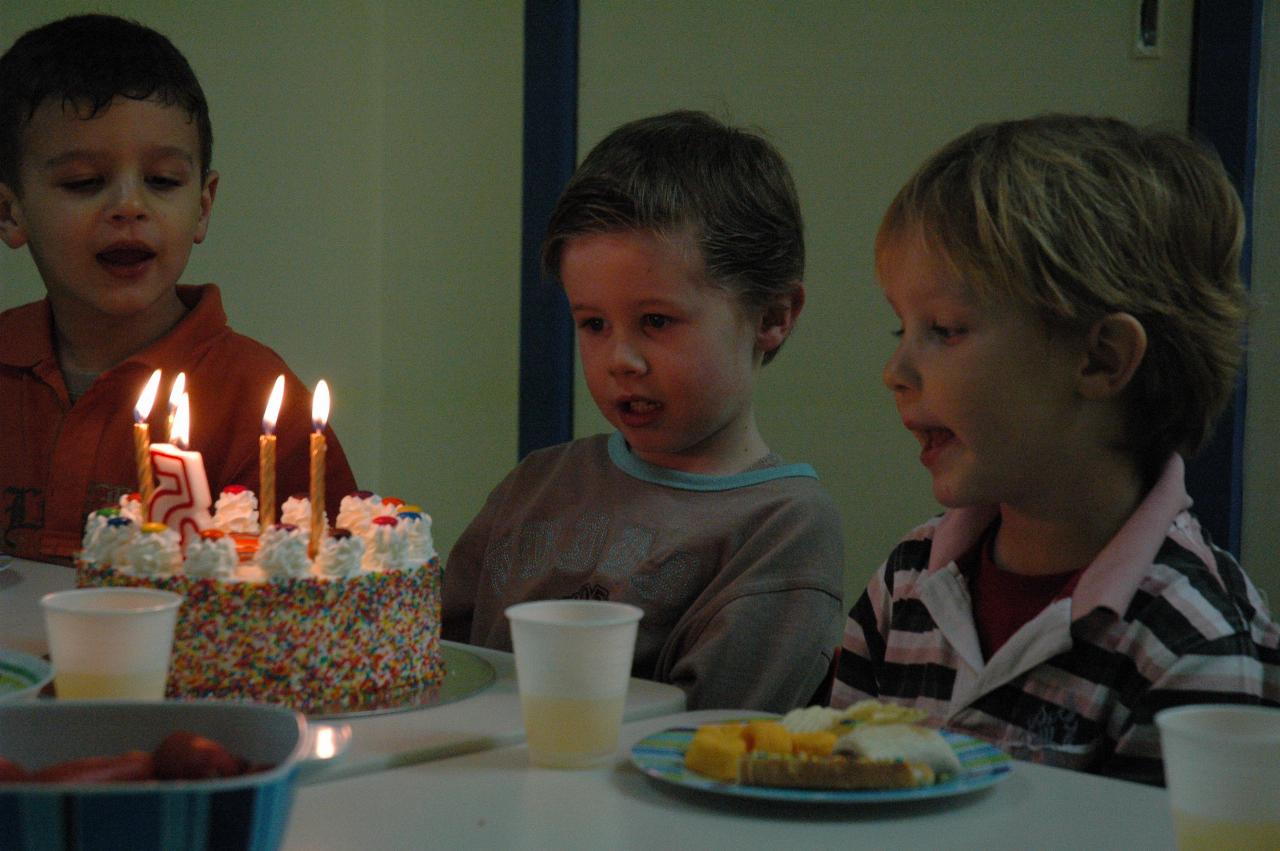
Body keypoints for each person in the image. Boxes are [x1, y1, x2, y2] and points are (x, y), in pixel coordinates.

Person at [834, 114, 1279, 783]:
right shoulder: (905, 584)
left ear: (1101, 359)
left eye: (946, 329)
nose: (895, 370)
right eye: (902, 326)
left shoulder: (1188, 641)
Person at [444, 110, 845, 712]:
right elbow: (437, 665)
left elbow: (707, 748)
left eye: (656, 321)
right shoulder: (537, 484)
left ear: (772, 317)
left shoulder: (781, 527)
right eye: (593, 324)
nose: (620, 360)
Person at [0, 14, 357, 563]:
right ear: (9, 211)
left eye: (164, 180)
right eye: (83, 182)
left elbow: (317, 593)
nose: (129, 206)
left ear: (203, 207)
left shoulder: (261, 404)